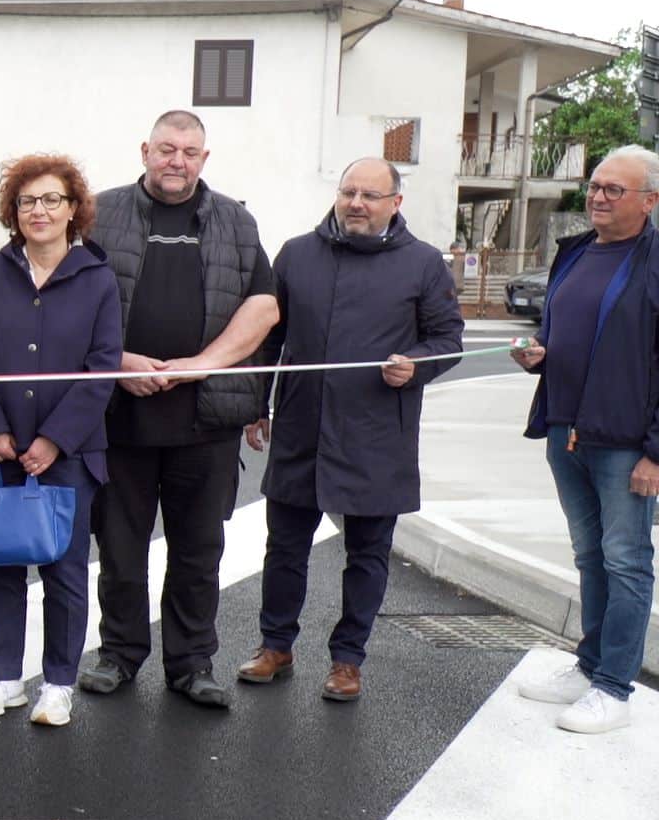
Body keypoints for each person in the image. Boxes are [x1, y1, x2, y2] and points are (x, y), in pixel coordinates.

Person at [236, 158, 463, 702]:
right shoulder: (297, 254)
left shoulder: (424, 264)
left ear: (395, 204)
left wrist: (416, 363)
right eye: (348, 192)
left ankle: (347, 660)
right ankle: (276, 647)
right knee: (284, 548)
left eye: (370, 195)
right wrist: (255, 403)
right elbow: (270, 336)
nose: (357, 203)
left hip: (376, 431)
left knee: (366, 554)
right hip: (303, 427)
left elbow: (447, 339)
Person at [78, 109, 278, 708]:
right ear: (145, 151)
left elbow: (263, 309)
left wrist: (202, 364)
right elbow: (66, 302)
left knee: (197, 552)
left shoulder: (237, 224)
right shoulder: (98, 214)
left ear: (204, 159)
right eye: (167, 149)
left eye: (190, 152)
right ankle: (118, 654)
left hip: (205, 419)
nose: (177, 161)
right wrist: (120, 362)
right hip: (118, 417)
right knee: (119, 549)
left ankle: (192, 664)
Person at [0, 155, 120, 726]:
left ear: (73, 209)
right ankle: (5, 679)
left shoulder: (98, 278)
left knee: (66, 569)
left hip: (68, 453)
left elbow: (102, 369)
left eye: (52, 200)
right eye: (28, 201)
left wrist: (55, 439)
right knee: (1, 565)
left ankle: (57, 684)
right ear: (13, 212)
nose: (39, 211)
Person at [512, 145, 659, 734]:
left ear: (650, 200)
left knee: (626, 560)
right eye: (594, 186)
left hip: (626, 441)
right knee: (590, 554)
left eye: (612, 189)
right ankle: (589, 662)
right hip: (564, 427)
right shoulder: (572, 253)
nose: (597, 197)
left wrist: (655, 450)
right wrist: (536, 355)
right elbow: (556, 332)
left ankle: (614, 688)